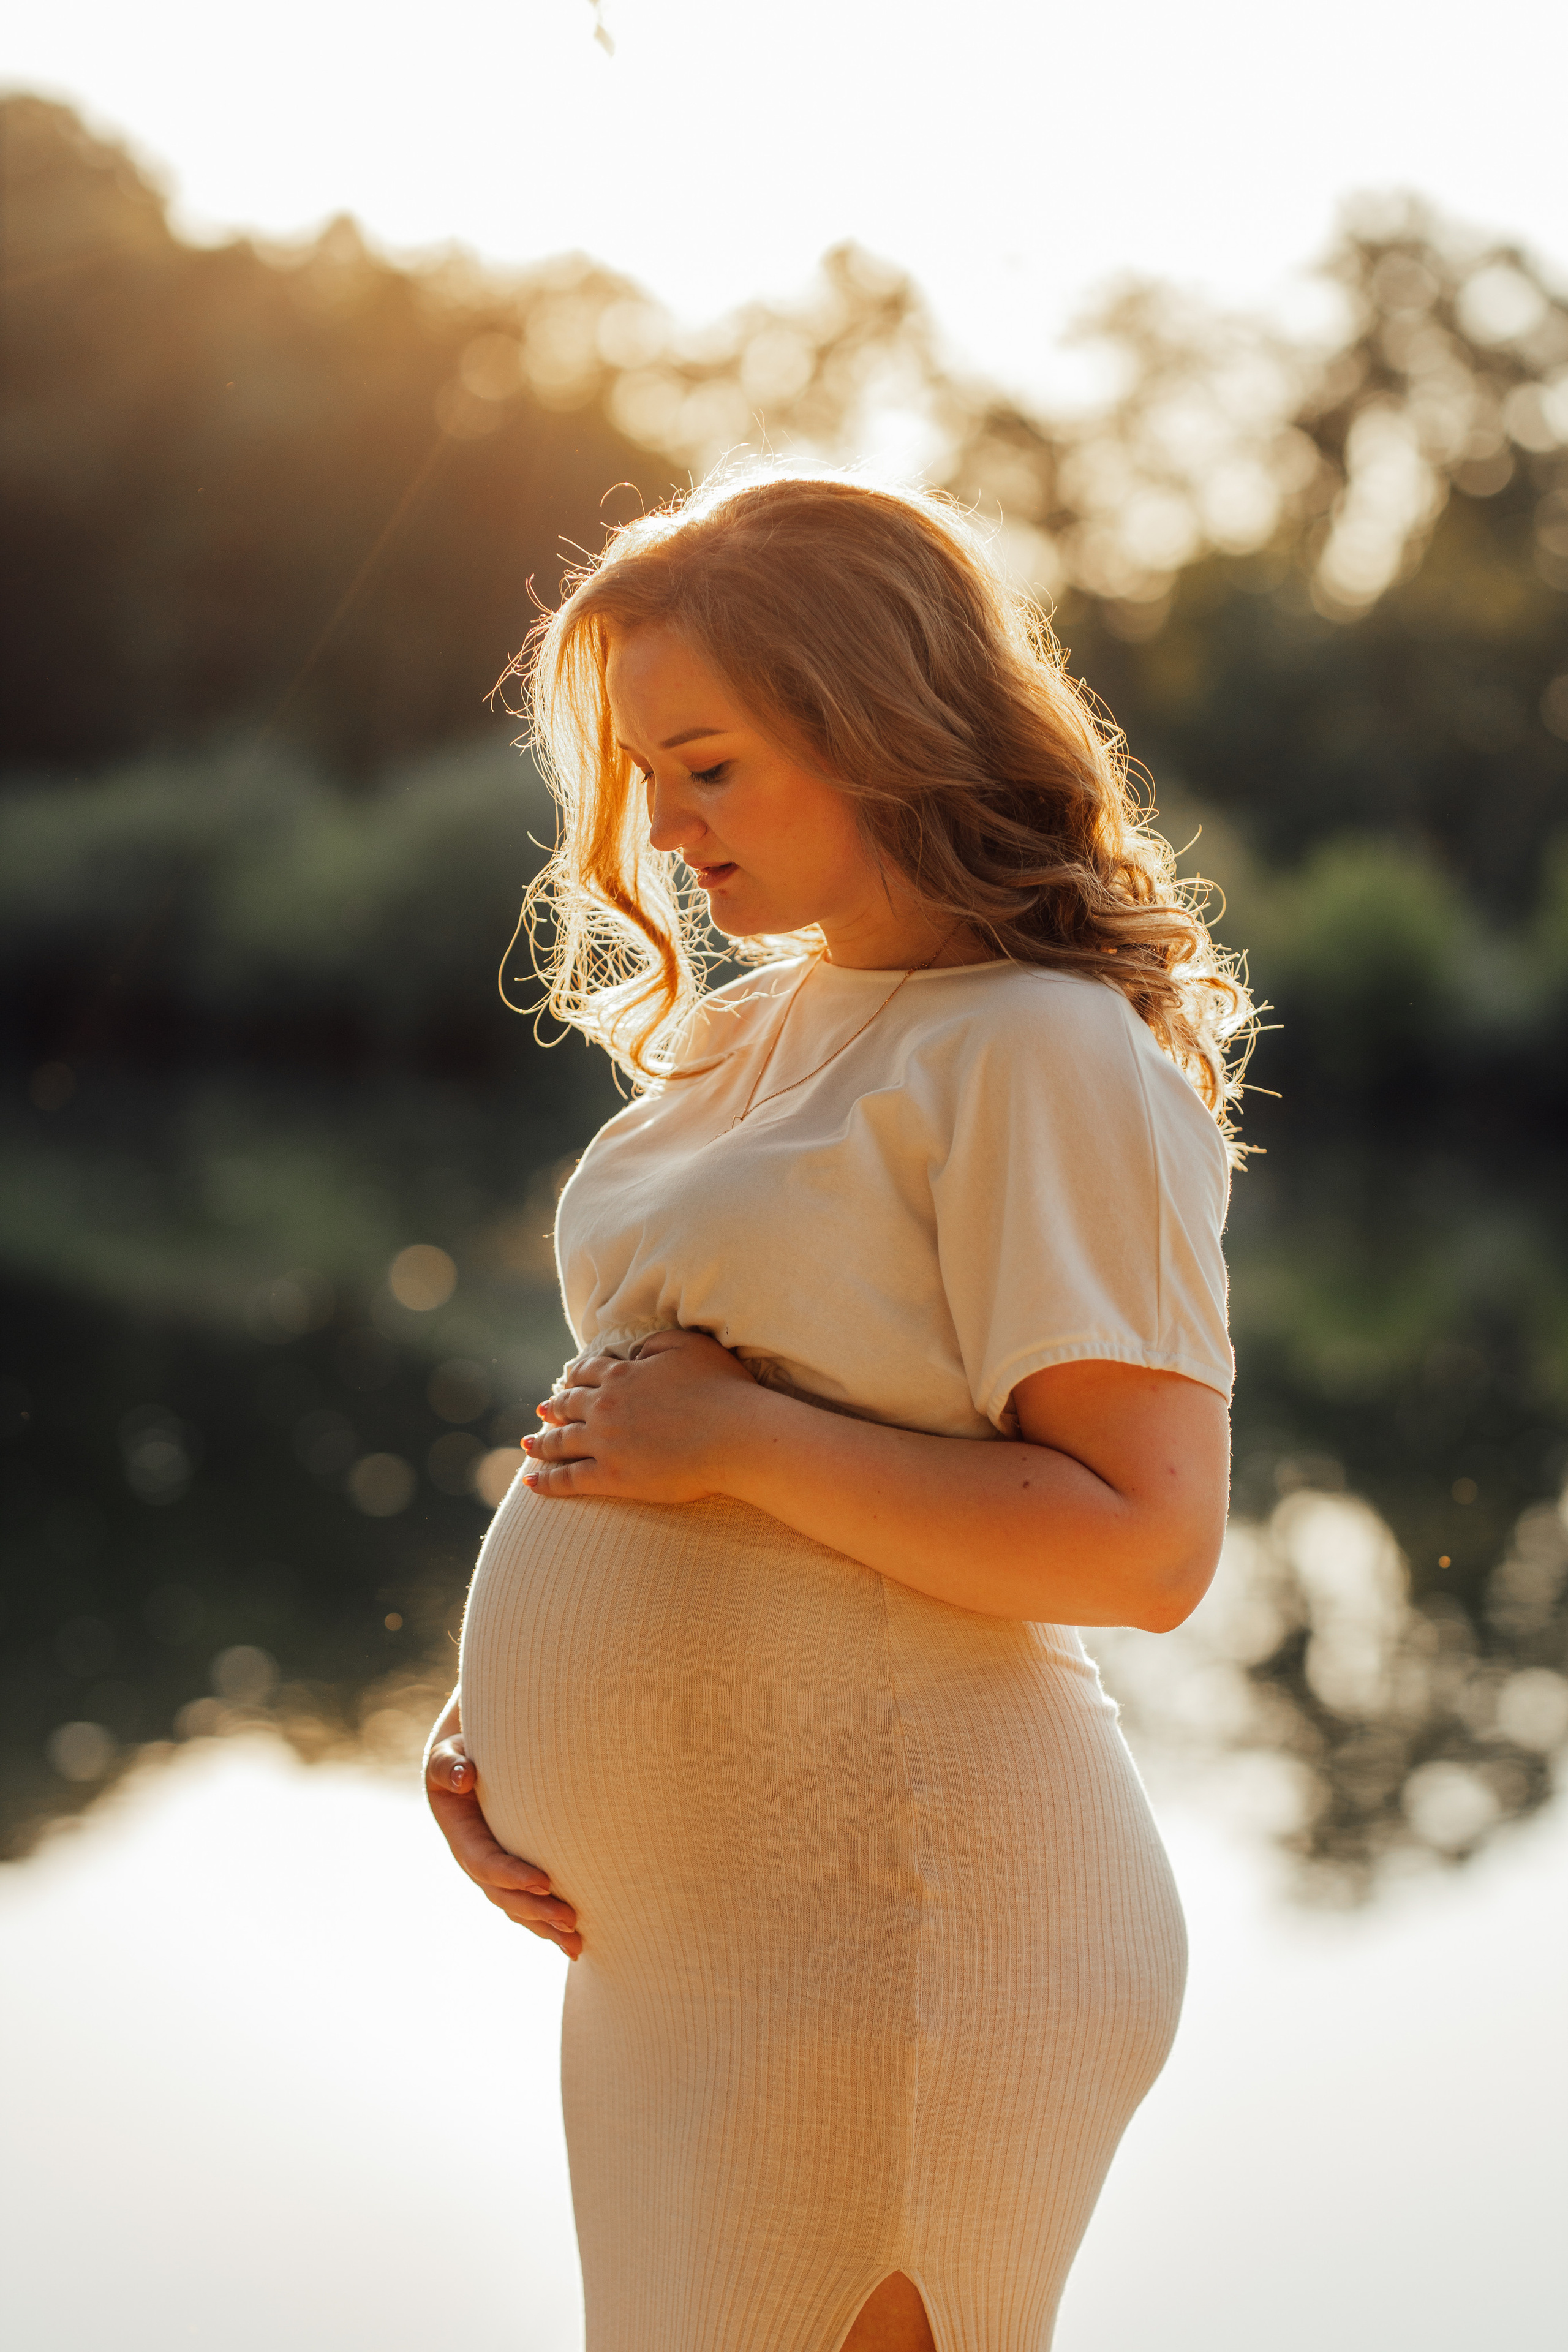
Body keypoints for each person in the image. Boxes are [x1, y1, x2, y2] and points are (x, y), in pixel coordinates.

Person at [423, 467, 1248, 2352]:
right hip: (695, 1947)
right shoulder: (754, 1030)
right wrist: (496, 1735)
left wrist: (732, 1450)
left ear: (877, 727)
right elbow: (654, 1416)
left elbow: (1147, 1540)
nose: (665, 826)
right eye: (644, 776)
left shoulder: (1039, 1049)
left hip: (904, 1934)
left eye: (707, 763)